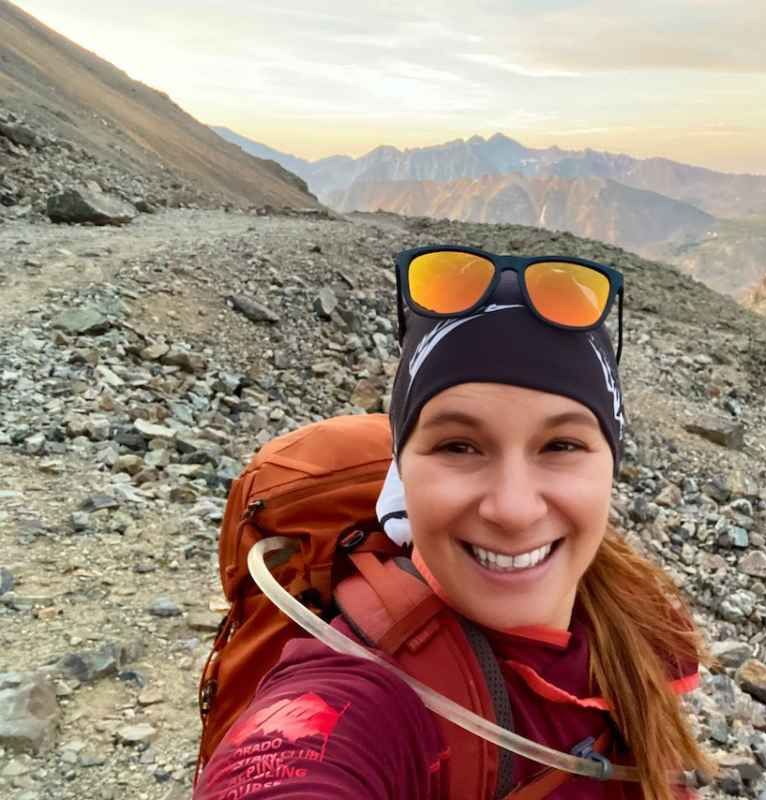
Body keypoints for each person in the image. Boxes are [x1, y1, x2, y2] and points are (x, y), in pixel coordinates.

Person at [195, 248, 714, 799]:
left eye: (561, 445)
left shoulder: (635, 618)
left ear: (611, 463)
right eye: (458, 446)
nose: (513, 509)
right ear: (402, 469)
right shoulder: (358, 693)